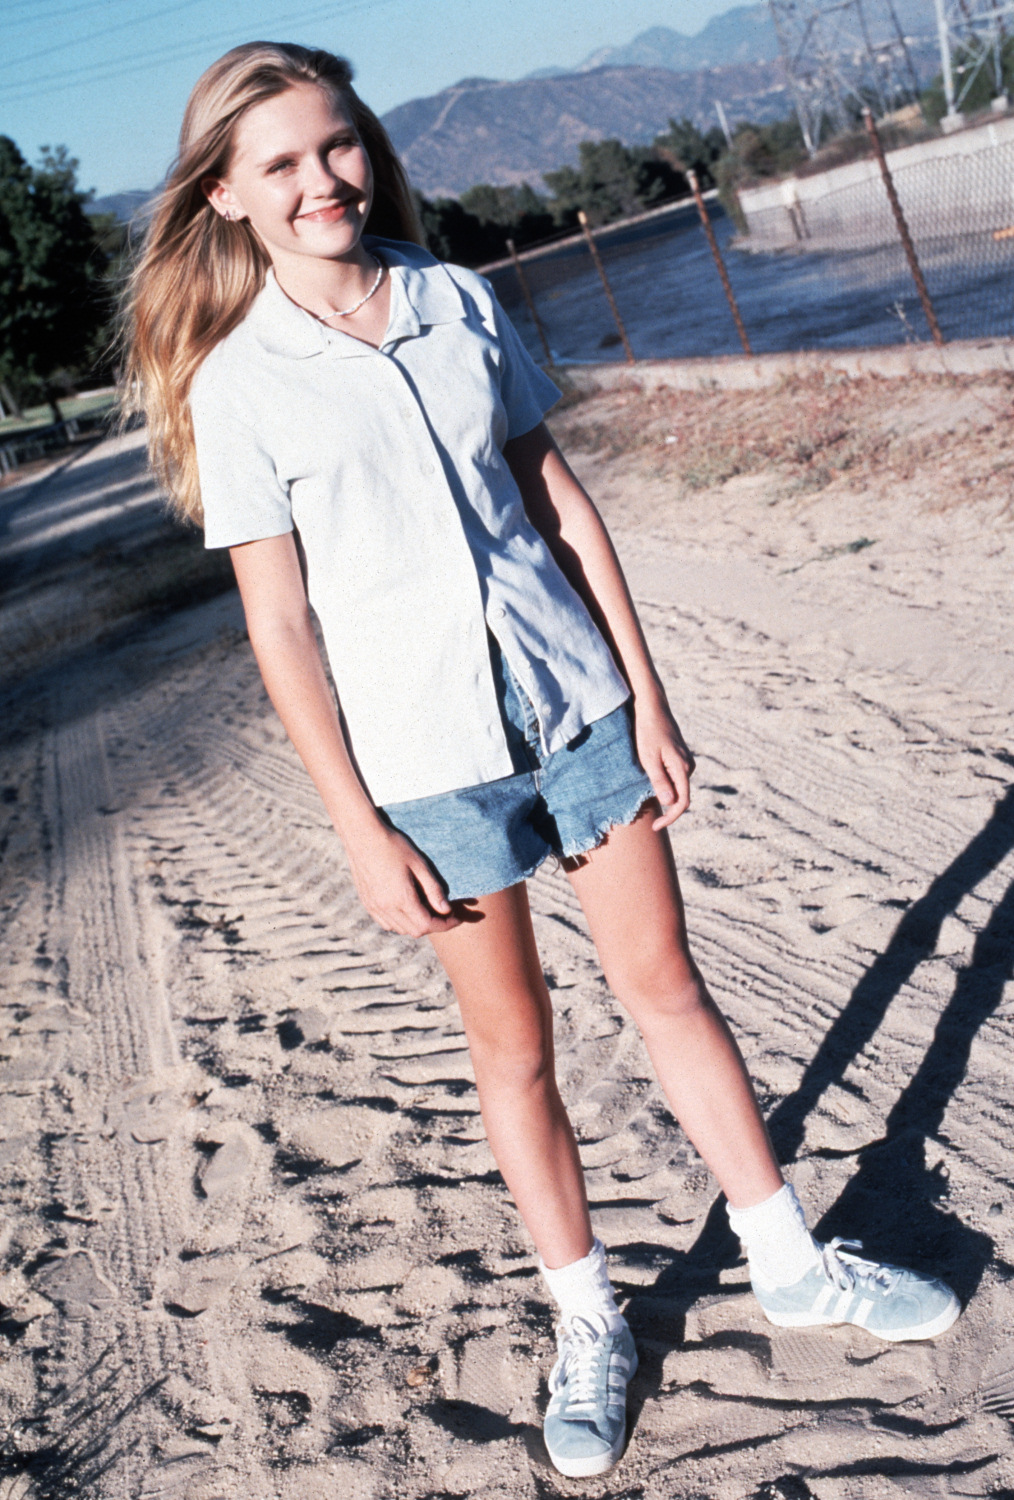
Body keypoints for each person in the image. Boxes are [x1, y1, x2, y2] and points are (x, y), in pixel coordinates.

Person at [123, 41, 961, 1479]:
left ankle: (788, 1264)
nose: (324, 180)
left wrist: (645, 697)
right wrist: (360, 827)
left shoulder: (456, 301)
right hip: (427, 764)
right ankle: (589, 1322)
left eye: (339, 145)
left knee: (666, 988)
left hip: (572, 707)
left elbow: (558, 504)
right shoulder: (238, 383)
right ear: (225, 196)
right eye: (283, 164)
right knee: (514, 1048)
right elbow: (281, 624)